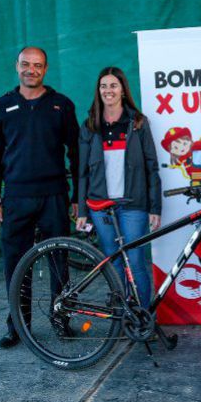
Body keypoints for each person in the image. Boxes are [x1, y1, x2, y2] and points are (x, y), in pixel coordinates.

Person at [0, 46, 79, 349]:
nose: (31, 70)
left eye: (37, 65)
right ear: (17, 67)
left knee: (59, 264)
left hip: (54, 196)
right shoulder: (1, 106)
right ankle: (18, 326)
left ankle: (61, 320)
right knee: (15, 265)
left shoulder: (62, 105)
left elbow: (76, 155)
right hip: (16, 199)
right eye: (26, 64)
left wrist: (77, 196)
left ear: (46, 69)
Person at [76, 67, 162, 308]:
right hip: (100, 207)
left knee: (134, 261)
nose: (108, 90)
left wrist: (155, 207)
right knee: (113, 263)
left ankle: (143, 318)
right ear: (98, 90)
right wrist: (82, 210)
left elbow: (152, 167)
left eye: (113, 85)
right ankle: (123, 316)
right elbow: (82, 172)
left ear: (123, 89)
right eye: (103, 86)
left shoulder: (138, 123)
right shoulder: (90, 125)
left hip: (133, 205)